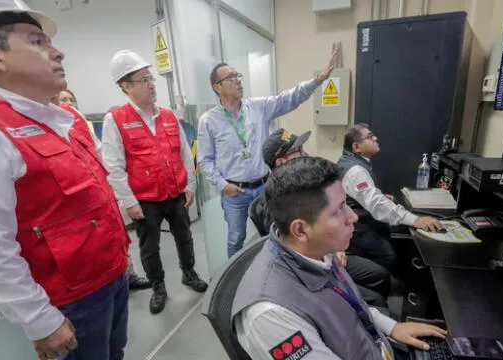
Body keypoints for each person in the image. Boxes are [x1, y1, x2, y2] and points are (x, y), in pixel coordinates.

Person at [0, 2, 130, 359]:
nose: (58, 52)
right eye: (38, 42)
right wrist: (39, 320)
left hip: (111, 277)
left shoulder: (62, 119)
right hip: (69, 303)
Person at [233, 157, 447, 359]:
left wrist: (392, 327)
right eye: (338, 210)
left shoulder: (314, 250)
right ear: (300, 230)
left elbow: (348, 302)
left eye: (346, 204)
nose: (352, 217)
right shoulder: (271, 316)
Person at [197, 47, 338, 258]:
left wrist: (317, 80)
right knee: (236, 238)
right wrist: (222, 185)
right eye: (231, 77)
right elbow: (205, 160)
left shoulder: (257, 107)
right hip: (235, 192)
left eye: (238, 75)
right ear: (217, 87)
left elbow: (288, 99)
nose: (238, 80)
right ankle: (236, 283)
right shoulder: (208, 120)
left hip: (265, 186)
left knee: (275, 233)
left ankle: (275, 269)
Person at [102, 50, 207, 315]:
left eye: (151, 78)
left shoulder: (169, 116)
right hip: (144, 200)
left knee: (185, 236)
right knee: (150, 247)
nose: (151, 84)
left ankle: (189, 272)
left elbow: (184, 152)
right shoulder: (115, 120)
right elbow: (113, 166)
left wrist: (190, 186)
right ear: (125, 87)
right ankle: (158, 286)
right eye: (143, 80)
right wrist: (129, 201)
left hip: (175, 193)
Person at [249, 128, 392, 311]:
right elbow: (296, 253)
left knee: (379, 275)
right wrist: (331, 252)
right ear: (281, 162)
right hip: (313, 268)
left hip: (327, 252)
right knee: (376, 298)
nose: (306, 153)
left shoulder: (305, 186)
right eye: (298, 151)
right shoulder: (275, 204)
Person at [53, 90, 152, 292]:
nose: (68, 103)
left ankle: (128, 274)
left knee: (117, 234)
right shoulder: (51, 126)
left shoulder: (81, 123)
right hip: (79, 198)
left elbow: (99, 153)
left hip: (101, 190)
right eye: (63, 100)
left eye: (72, 99)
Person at [337, 124, 442, 270]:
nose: (376, 138)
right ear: (356, 147)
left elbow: (360, 193)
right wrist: (415, 220)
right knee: (390, 256)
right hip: (356, 229)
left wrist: (375, 194)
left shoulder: (351, 162)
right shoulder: (356, 171)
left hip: (357, 220)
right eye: (369, 137)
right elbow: (376, 204)